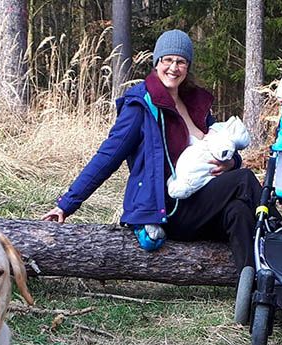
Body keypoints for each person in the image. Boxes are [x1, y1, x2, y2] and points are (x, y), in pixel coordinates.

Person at [41, 29, 263, 272]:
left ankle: (253, 286)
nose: (173, 68)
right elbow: (107, 157)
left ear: (188, 66)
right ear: (156, 62)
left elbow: (223, 146)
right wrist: (67, 204)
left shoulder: (195, 103)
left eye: (181, 61)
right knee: (244, 180)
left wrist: (233, 163)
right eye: (167, 60)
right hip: (169, 209)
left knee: (239, 211)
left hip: (202, 199)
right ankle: (280, 229)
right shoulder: (141, 107)